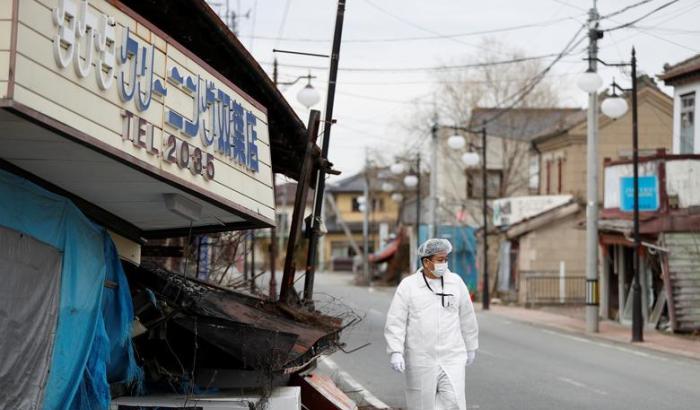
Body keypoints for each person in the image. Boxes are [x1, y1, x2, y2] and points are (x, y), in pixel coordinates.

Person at [384, 238, 479, 410]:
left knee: (454, 402)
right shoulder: (409, 285)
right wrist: (395, 351)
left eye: (446, 259)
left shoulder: (455, 282)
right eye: (440, 260)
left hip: (452, 356)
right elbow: (396, 320)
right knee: (422, 405)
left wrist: (471, 346)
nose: (445, 263)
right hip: (421, 357)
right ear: (427, 262)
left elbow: (467, 316)